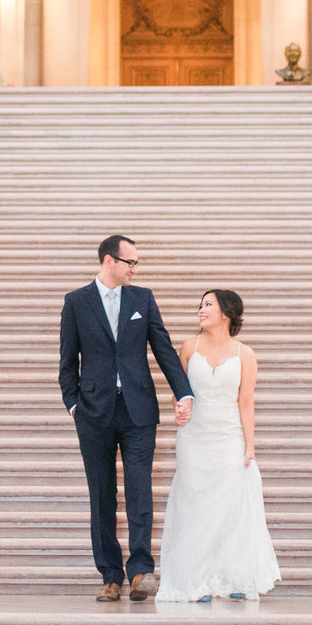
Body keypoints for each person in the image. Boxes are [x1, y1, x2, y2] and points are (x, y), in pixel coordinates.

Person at [58, 235, 192, 601]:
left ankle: (140, 571)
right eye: (129, 262)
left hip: (139, 411)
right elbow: (67, 361)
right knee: (101, 494)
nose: (134, 268)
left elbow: (163, 348)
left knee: (139, 490)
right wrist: (74, 406)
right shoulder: (76, 302)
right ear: (109, 261)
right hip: (93, 413)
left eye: (135, 263)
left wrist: (184, 392)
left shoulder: (142, 299)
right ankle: (110, 575)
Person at [155, 288, 282, 603]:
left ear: (226, 312)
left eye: (208, 305)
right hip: (194, 437)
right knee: (193, 506)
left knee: (228, 509)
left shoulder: (245, 354)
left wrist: (249, 446)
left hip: (228, 437)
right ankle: (194, 579)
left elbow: (246, 403)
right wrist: (179, 406)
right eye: (200, 305)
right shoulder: (189, 347)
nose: (201, 309)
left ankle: (233, 576)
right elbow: (179, 390)